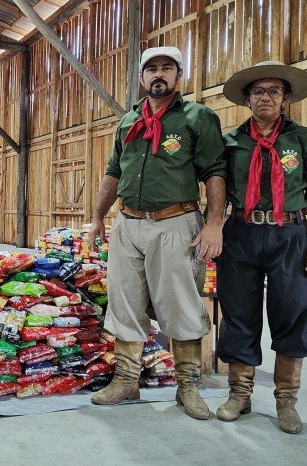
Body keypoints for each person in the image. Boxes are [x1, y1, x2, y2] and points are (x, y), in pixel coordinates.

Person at [87, 46, 226, 420]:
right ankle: (126, 381)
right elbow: (113, 172)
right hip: (127, 224)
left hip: (174, 223)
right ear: (141, 77)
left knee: (180, 303)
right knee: (125, 302)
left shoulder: (198, 118)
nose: (158, 74)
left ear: (180, 76)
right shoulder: (128, 120)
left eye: (167, 68)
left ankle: (188, 386)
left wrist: (214, 224)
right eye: (152, 69)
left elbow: (215, 171)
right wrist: (99, 216)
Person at [216, 61, 307, 434]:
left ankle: (286, 400)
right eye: (258, 91)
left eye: (274, 91)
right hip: (241, 234)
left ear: (285, 99)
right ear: (247, 99)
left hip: (291, 236)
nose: (265, 97)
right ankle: (239, 394)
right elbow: (215, 189)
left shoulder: (302, 139)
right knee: (237, 312)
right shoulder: (231, 141)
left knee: (293, 311)